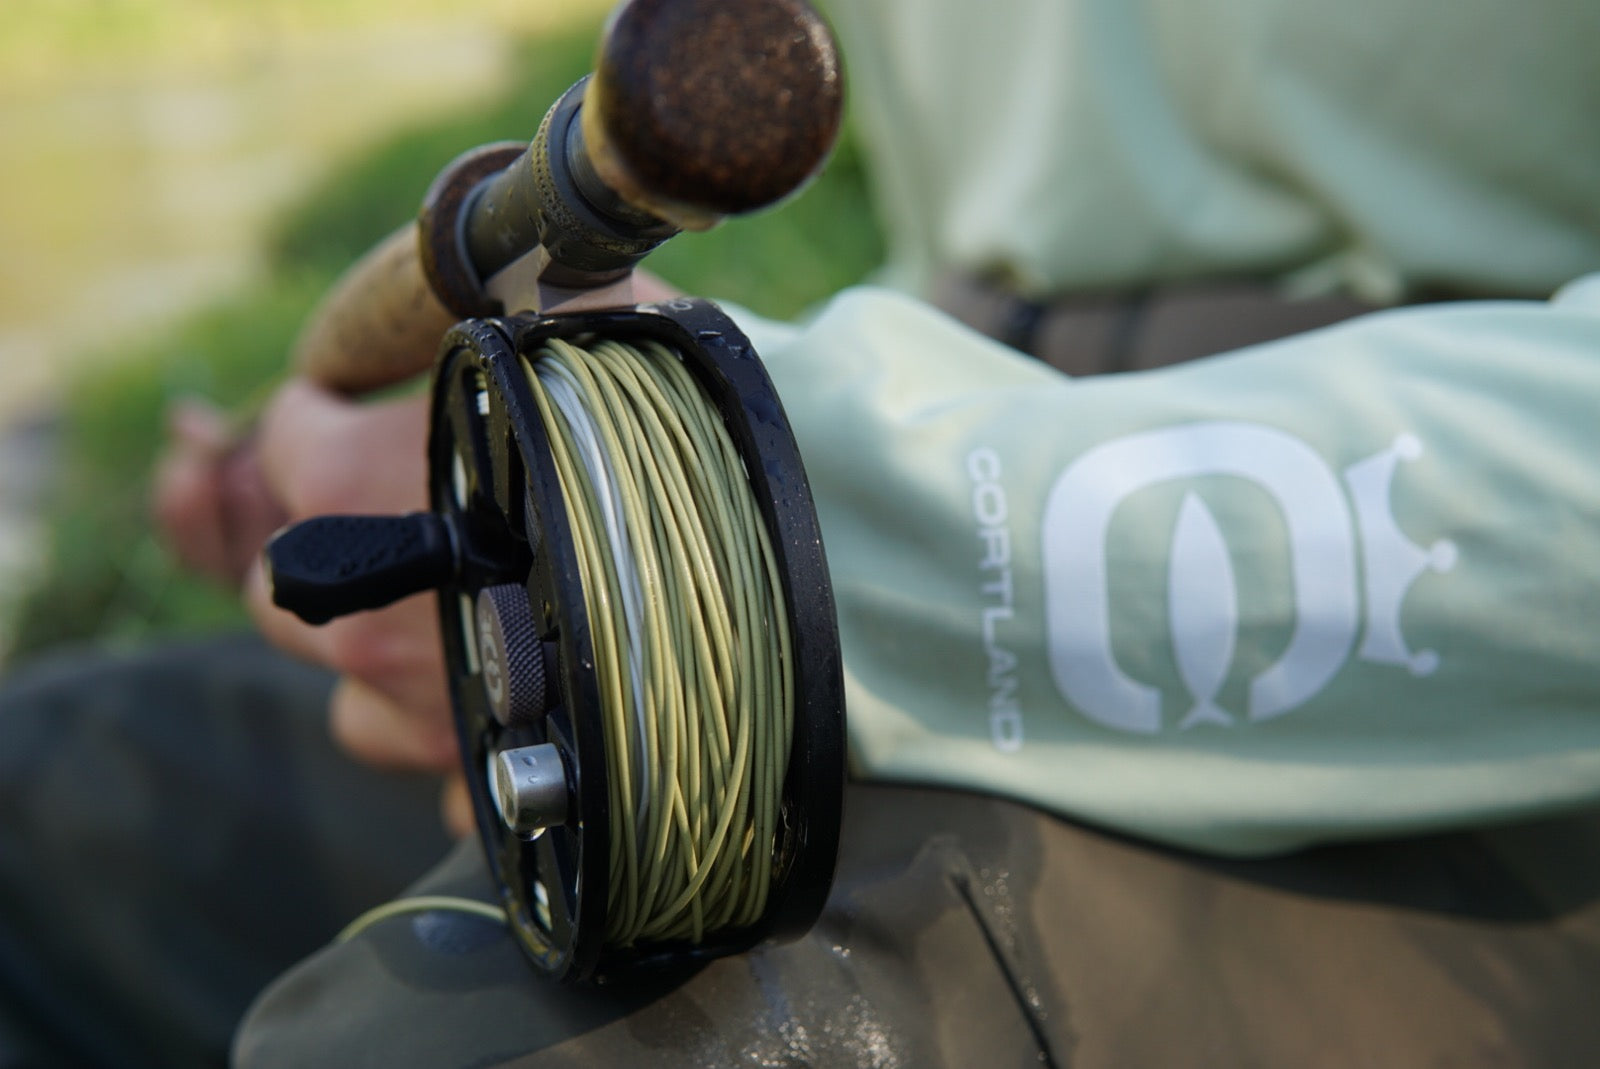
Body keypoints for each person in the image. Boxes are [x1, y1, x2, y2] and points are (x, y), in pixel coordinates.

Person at [4, 0, 1600, 1065]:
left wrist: (723, 512)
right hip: (944, 446)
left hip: (1473, 699)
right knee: (44, 807)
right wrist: (529, 514)